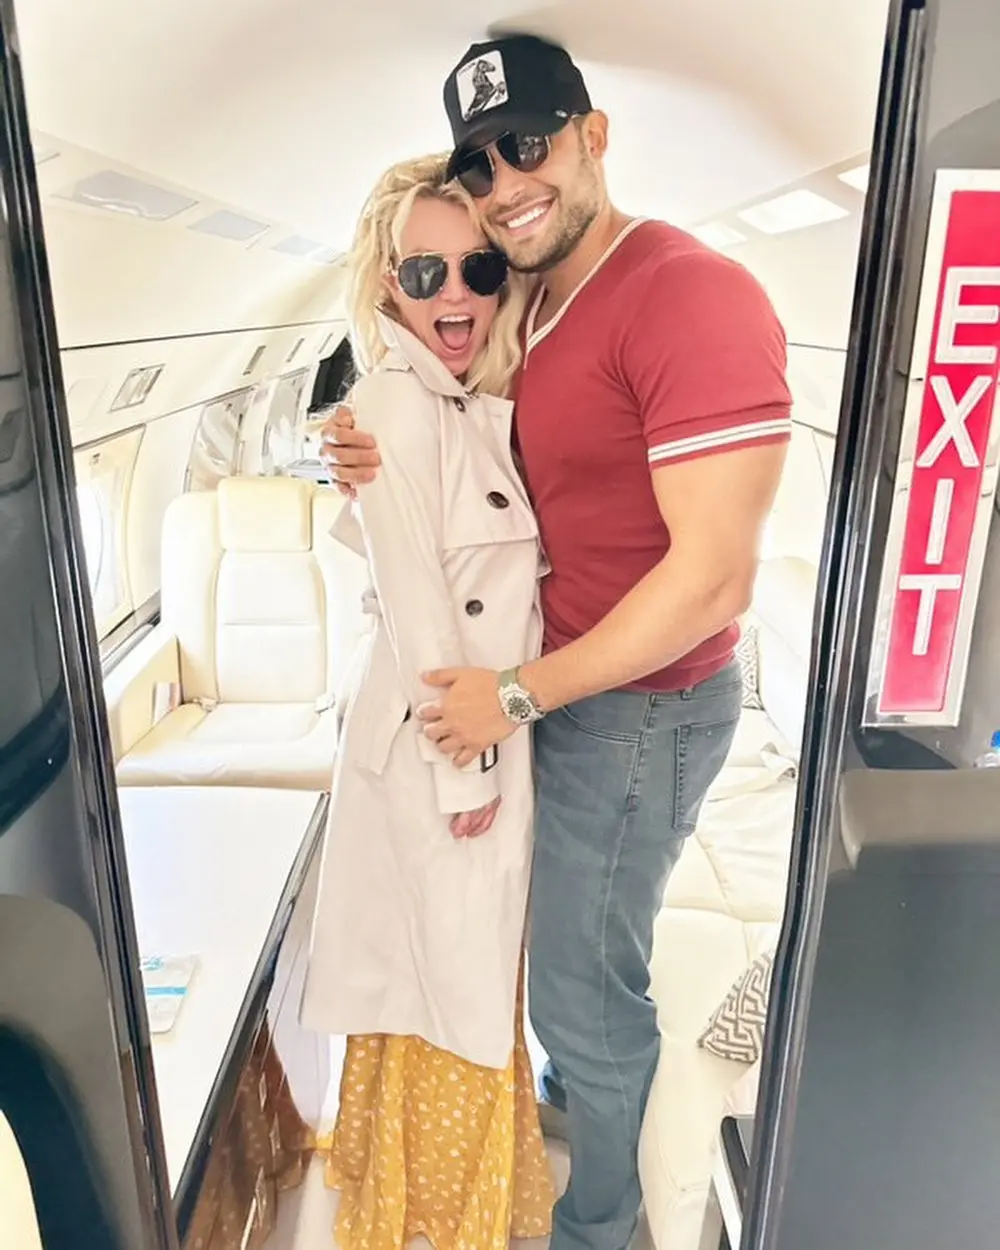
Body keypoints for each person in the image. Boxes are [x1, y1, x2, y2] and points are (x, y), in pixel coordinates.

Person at [323, 34, 792, 1250]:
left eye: (527, 144)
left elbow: (714, 576)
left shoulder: (688, 294)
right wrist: (357, 455)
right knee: (560, 966)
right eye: (479, 164)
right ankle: (576, 1107)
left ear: (592, 135)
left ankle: (597, 1225)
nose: (505, 184)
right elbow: (458, 428)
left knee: (583, 991)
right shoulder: (529, 300)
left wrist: (519, 696)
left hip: (635, 708)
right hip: (566, 688)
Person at [299, 152, 555, 1249]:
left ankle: (422, 1200)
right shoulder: (392, 407)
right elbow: (419, 604)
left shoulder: (463, 396)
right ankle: (438, 1220)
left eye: (479, 268)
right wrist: (469, 775)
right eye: (424, 270)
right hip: (445, 750)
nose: (454, 292)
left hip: (465, 736)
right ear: (387, 283)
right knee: (448, 993)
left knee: (445, 988)